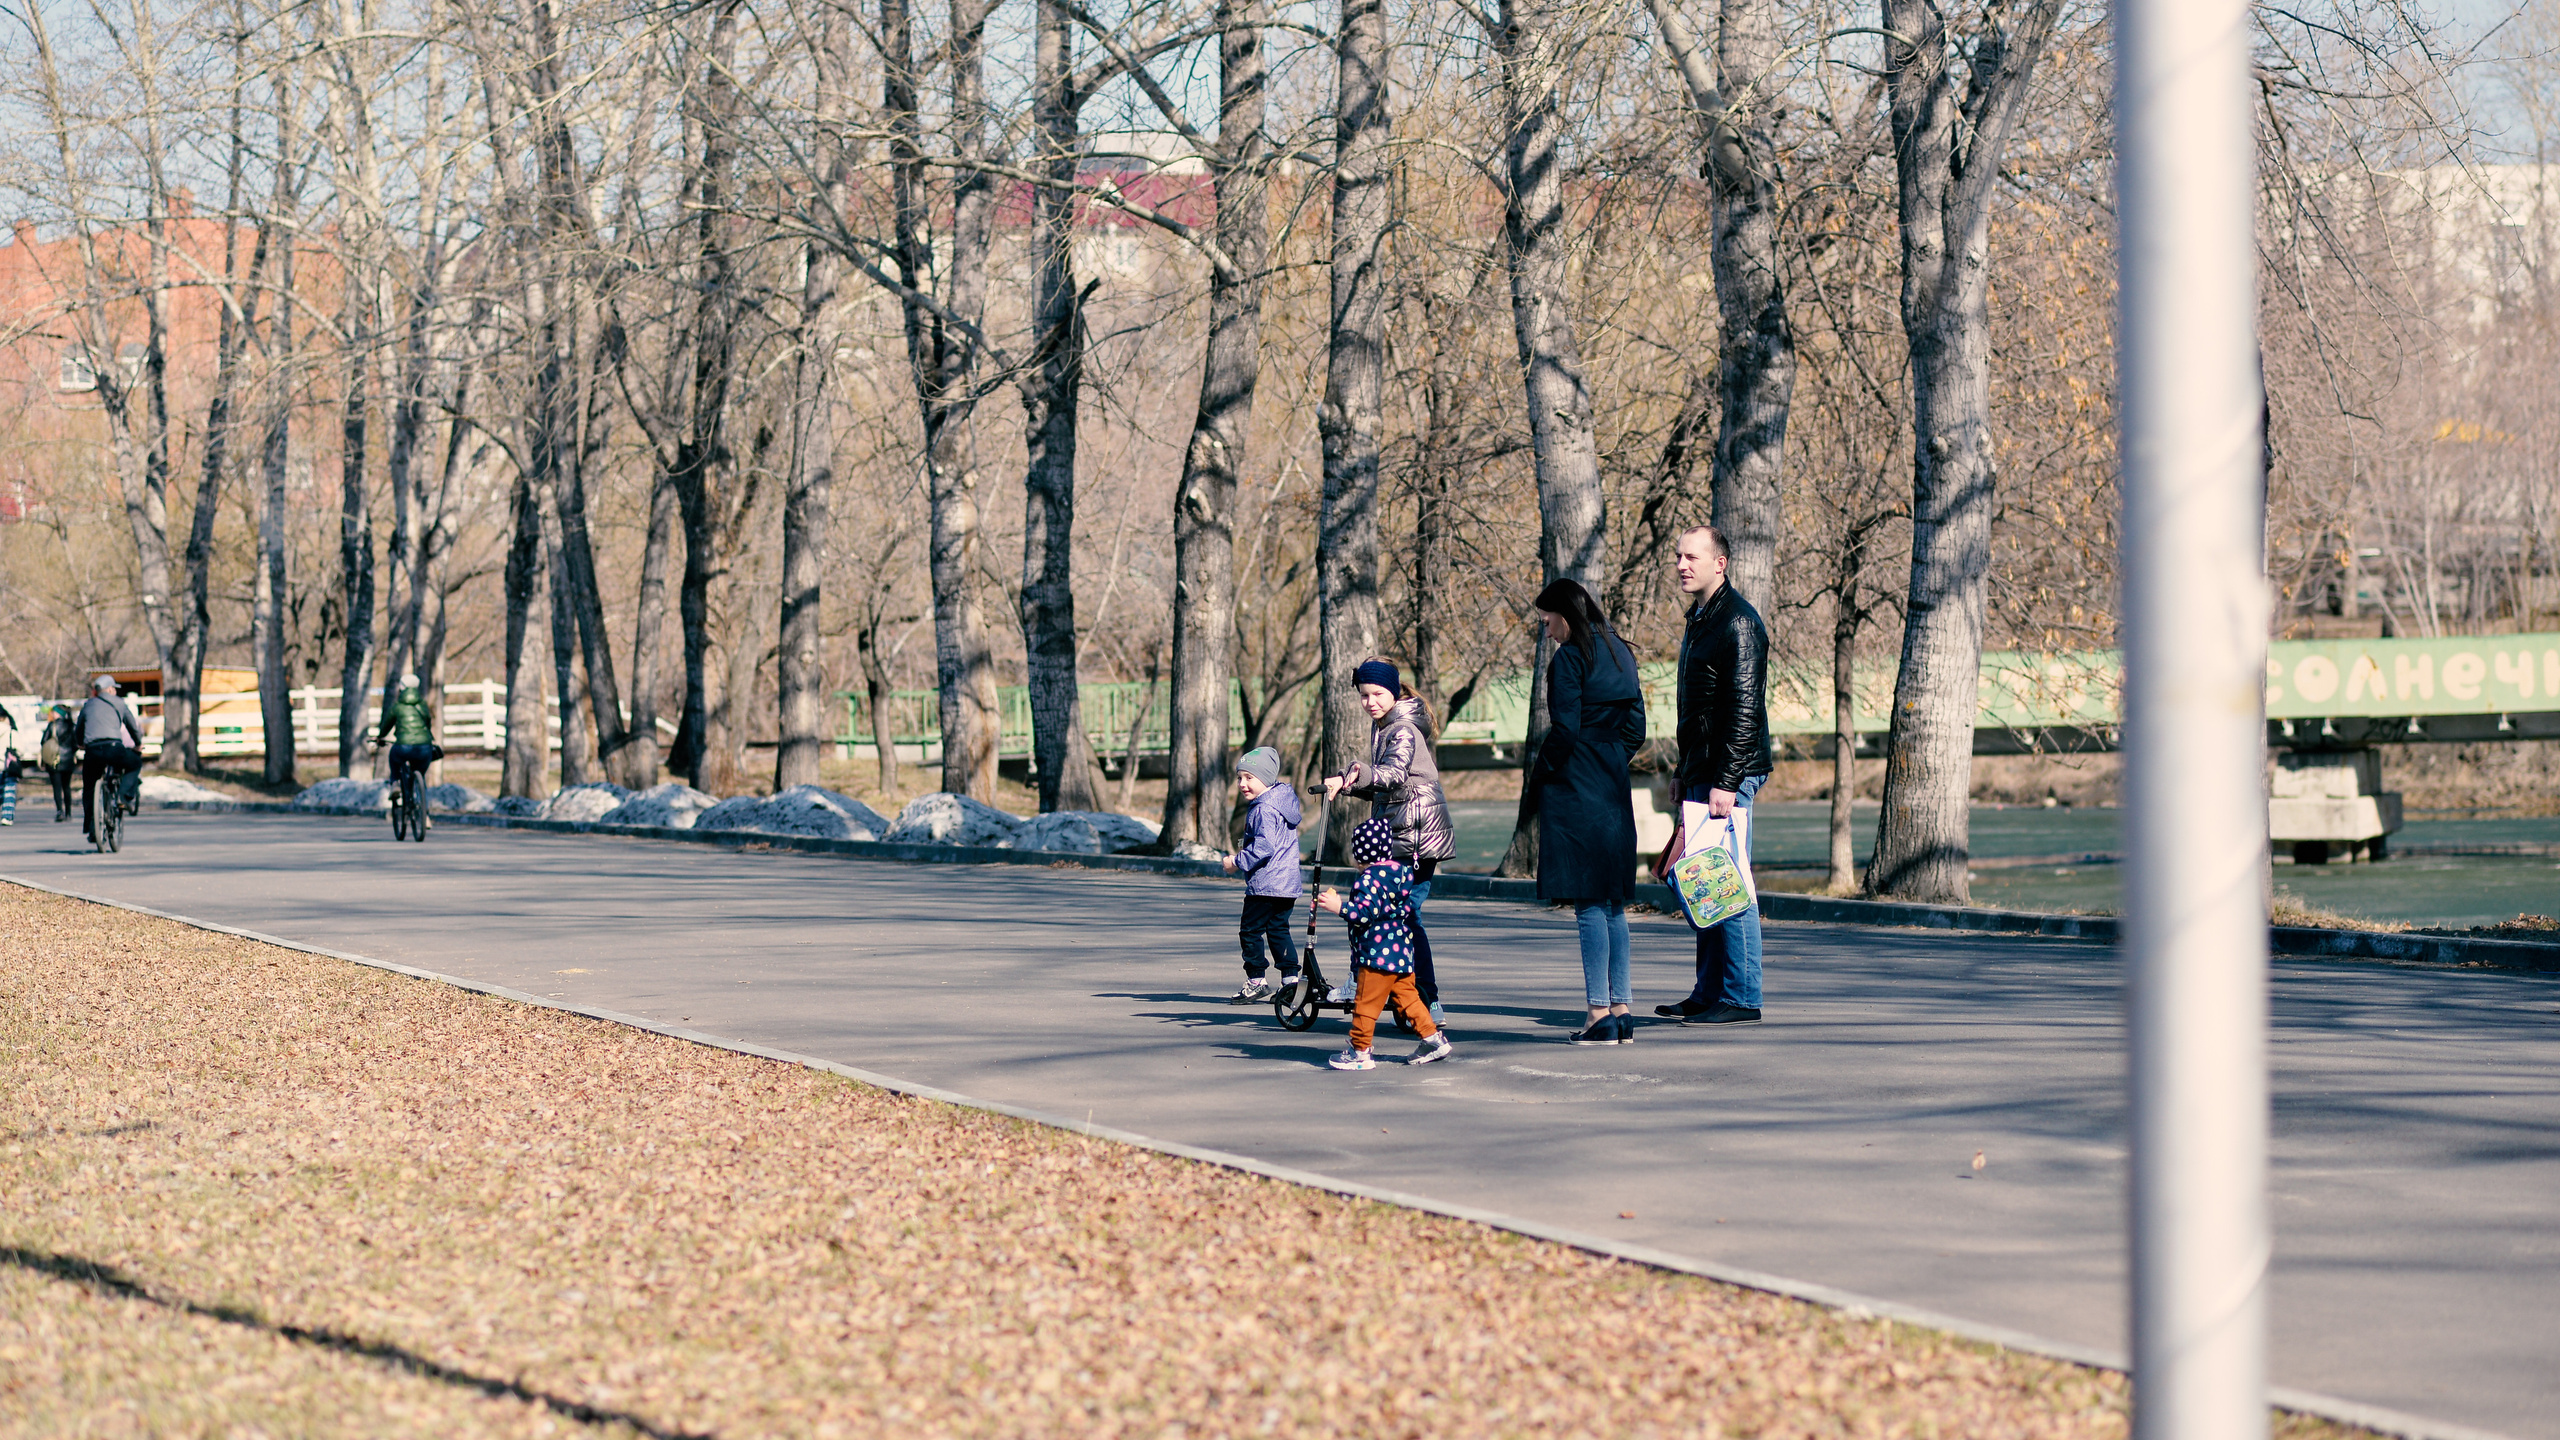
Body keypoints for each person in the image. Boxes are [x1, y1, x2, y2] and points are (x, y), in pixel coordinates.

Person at [1655, 525, 1774, 1025]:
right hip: (1704, 770)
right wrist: (1683, 771)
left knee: (1729, 881)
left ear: (1719, 563)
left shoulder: (1738, 622)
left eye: (1692, 557)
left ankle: (1741, 997)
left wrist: (1726, 781)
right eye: (1678, 556)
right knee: (1704, 880)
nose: (1681, 565)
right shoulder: (1701, 617)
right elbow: (1695, 708)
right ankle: (1708, 992)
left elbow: (1743, 712)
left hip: (1731, 774)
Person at [1528, 579, 1648, 1044]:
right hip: (1612, 779)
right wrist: (1611, 756)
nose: (1547, 632)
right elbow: (1636, 727)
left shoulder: (1570, 658)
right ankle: (1621, 1010)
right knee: (1613, 902)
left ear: (1565, 615)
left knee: (1588, 902)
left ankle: (1598, 1014)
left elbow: (1565, 730)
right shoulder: (1621, 653)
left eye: (1548, 622)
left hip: (1576, 782)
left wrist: (1542, 773)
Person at [1322, 659, 1456, 1026]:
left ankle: (1427, 999)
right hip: (1401, 831)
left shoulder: (1403, 729)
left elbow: (1394, 774)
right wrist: (1347, 782)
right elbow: (1387, 786)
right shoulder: (1383, 727)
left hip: (1416, 837)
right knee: (1385, 912)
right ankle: (1381, 986)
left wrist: (1355, 774)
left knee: (1405, 915)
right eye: (1364, 695)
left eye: (1378, 694)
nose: (1370, 702)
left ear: (1394, 692)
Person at [1315, 818, 1452, 1070]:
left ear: (1361, 855)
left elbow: (1365, 913)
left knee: (1365, 1004)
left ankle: (1359, 1052)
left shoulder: (1368, 879)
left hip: (1377, 954)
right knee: (1409, 1000)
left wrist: (1340, 907)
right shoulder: (1401, 874)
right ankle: (1432, 1039)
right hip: (1401, 951)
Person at [1221, 746, 1304, 1003]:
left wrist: (1236, 861)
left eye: (1249, 777)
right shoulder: (1282, 801)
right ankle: (1290, 981)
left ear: (1266, 778)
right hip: (1286, 883)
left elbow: (1264, 846)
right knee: (1278, 930)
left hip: (1266, 884)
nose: (1242, 784)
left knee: (1250, 931)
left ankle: (1256, 980)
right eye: (1239, 777)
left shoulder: (1263, 809)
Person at [77, 675, 146, 843]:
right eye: (114, 688)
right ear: (108, 689)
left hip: (92, 750)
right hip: (113, 748)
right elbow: (132, 726)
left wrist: (80, 743)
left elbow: (79, 728)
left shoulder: (88, 705)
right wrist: (138, 743)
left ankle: (90, 826)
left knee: (89, 786)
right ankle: (123, 796)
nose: (115, 691)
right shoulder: (119, 703)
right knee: (135, 763)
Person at [373, 673, 442, 793]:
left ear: (401, 688)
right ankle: (420, 793)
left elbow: (387, 724)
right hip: (424, 748)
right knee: (420, 770)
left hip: (403, 747)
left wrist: (380, 737)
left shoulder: (397, 706)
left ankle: (395, 783)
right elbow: (428, 722)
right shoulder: (423, 705)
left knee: (394, 756)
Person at [41, 704, 78, 822]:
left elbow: (44, 741)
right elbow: (76, 743)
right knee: (67, 787)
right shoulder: (72, 726)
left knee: (57, 787)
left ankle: (59, 811)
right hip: (68, 760)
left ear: (57, 713)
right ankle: (68, 812)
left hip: (54, 760)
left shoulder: (52, 726)